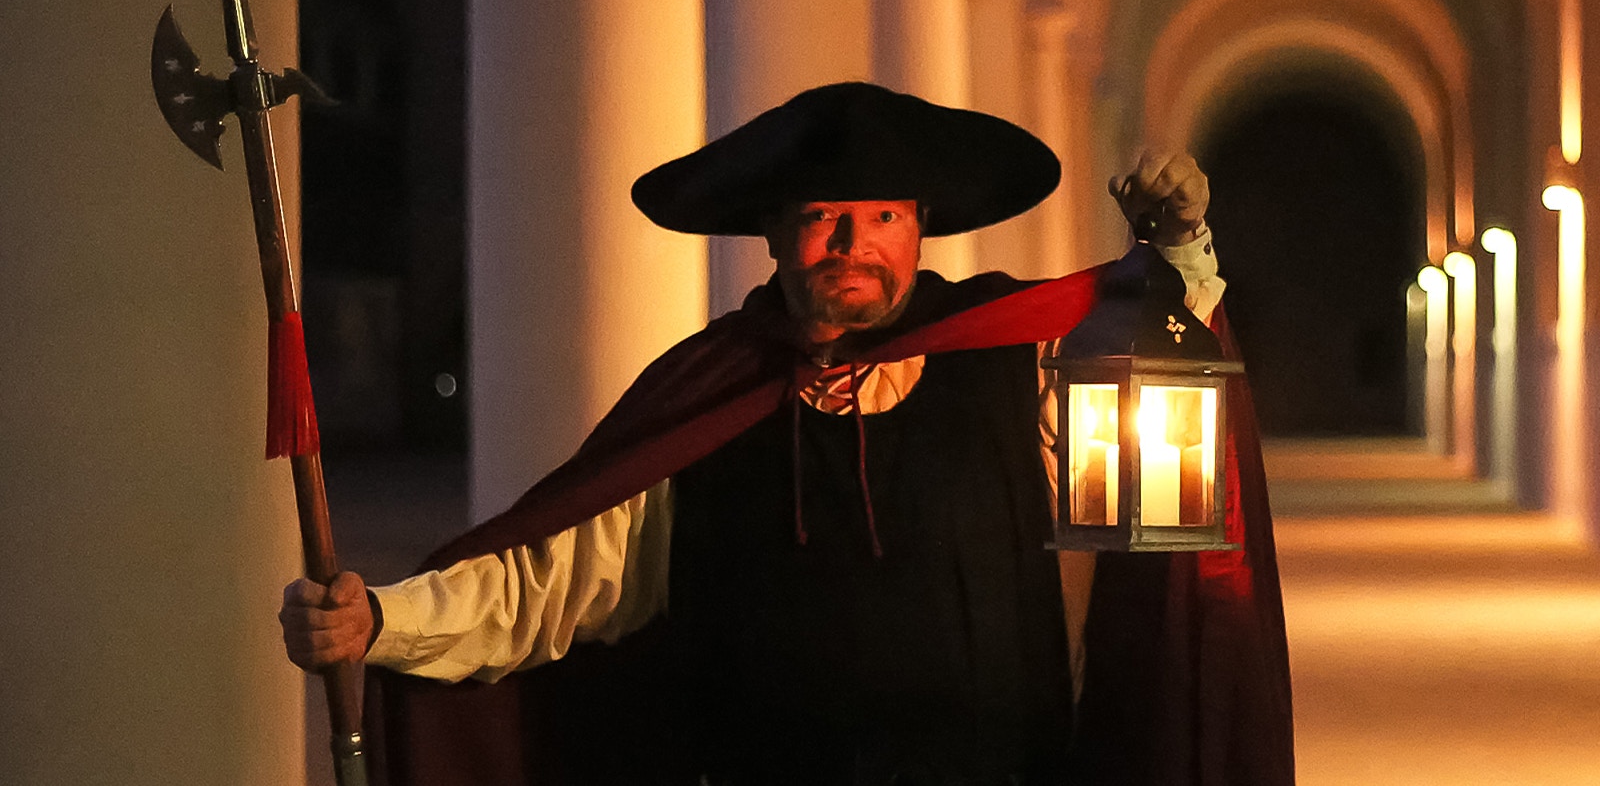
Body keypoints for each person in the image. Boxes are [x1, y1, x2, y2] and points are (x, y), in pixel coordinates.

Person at [280, 82, 1292, 785]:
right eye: (822, 216)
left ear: (919, 226)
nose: (853, 244)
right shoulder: (709, 397)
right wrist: (383, 618)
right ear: (771, 230)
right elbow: (545, 582)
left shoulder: (1011, 359)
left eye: (881, 216)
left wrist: (1179, 251)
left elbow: (1156, 361)